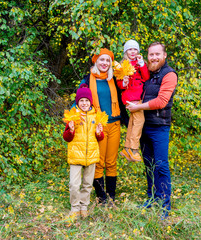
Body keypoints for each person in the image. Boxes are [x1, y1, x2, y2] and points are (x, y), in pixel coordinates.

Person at [126, 42, 178, 219]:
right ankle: (152, 197)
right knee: (148, 163)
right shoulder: (146, 72)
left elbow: (161, 101)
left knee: (161, 164)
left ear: (164, 56)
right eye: (151, 55)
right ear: (147, 56)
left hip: (160, 127)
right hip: (144, 126)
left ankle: (165, 204)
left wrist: (137, 106)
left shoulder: (169, 75)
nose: (154, 57)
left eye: (157, 54)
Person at [76, 48, 127, 205]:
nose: (105, 63)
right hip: (97, 125)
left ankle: (111, 196)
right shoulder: (87, 80)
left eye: (108, 60)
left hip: (115, 124)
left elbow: (126, 94)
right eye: (102, 60)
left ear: (111, 63)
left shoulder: (115, 79)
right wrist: (73, 117)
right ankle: (101, 197)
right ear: (96, 61)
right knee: (99, 162)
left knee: (111, 162)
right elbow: (79, 100)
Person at [63, 84, 104, 220]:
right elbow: (67, 138)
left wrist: (99, 133)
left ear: (90, 102)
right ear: (77, 102)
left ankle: (83, 206)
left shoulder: (96, 116)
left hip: (91, 155)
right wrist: (71, 129)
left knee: (87, 184)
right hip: (76, 155)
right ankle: (75, 207)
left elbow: (100, 137)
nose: (84, 103)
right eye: (82, 101)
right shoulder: (72, 116)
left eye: (87, 100)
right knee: (74, 184)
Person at [117, 39, 150, 162]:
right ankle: (134, 148)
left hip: (139, 96)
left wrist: (142, 64)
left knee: (133, 122)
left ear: (138, 51)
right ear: (126, 51)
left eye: (135, 49)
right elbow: (120, 84)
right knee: (139, 121)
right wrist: (124, 82)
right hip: (131, 97)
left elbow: (146, 77)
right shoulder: (122, 65)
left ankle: (127, 148)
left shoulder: (140, 63)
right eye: (130, 49)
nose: (133, 51)